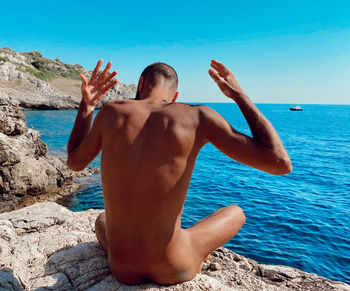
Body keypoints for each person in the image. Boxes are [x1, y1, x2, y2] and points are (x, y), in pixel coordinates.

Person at [67, 59, 292, 285]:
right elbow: (280, 163)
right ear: (174, 97)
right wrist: (239, 95)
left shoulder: (110, 112)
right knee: (235, 212)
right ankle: (194, 255)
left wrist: (87, 106)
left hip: (122, 268)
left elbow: (75, 163)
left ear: (141, 83)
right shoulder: (196, 116)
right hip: (172, 266)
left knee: (101, 220)